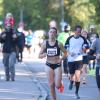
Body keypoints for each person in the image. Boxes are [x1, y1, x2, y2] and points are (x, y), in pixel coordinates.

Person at [38, 27, 67, 100]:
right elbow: (39, 55)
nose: (52, 33)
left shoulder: (59, 44)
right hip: (48, 65)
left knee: (57, 85)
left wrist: (61, 59)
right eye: (50, 32)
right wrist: (44, 54)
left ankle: (60, 83)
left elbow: (66, 53)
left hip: (57, 65)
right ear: (48, 33)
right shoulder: (45, 43)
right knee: (51, 84)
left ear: (56, 34)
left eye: (54, 32)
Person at [65, 25, 89, 99]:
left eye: (80, 32)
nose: (79, 33)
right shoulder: (70, 38)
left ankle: (76, 93)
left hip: (79, 59)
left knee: (78, 76)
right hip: (71, 59)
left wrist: (83, 49)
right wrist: (69, 52)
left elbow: (86, 46)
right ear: (75, 31)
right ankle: (71, 82)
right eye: (78, 31)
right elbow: (66, 46)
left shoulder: (82, 39)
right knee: (72, 75)